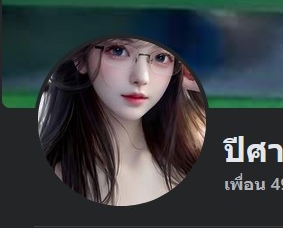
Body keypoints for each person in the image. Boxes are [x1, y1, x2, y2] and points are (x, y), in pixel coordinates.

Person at [40, 37, 206, 205]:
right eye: (118, 50)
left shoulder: (188, 165)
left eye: (161, 57)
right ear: (80, 57)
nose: (142, 77)